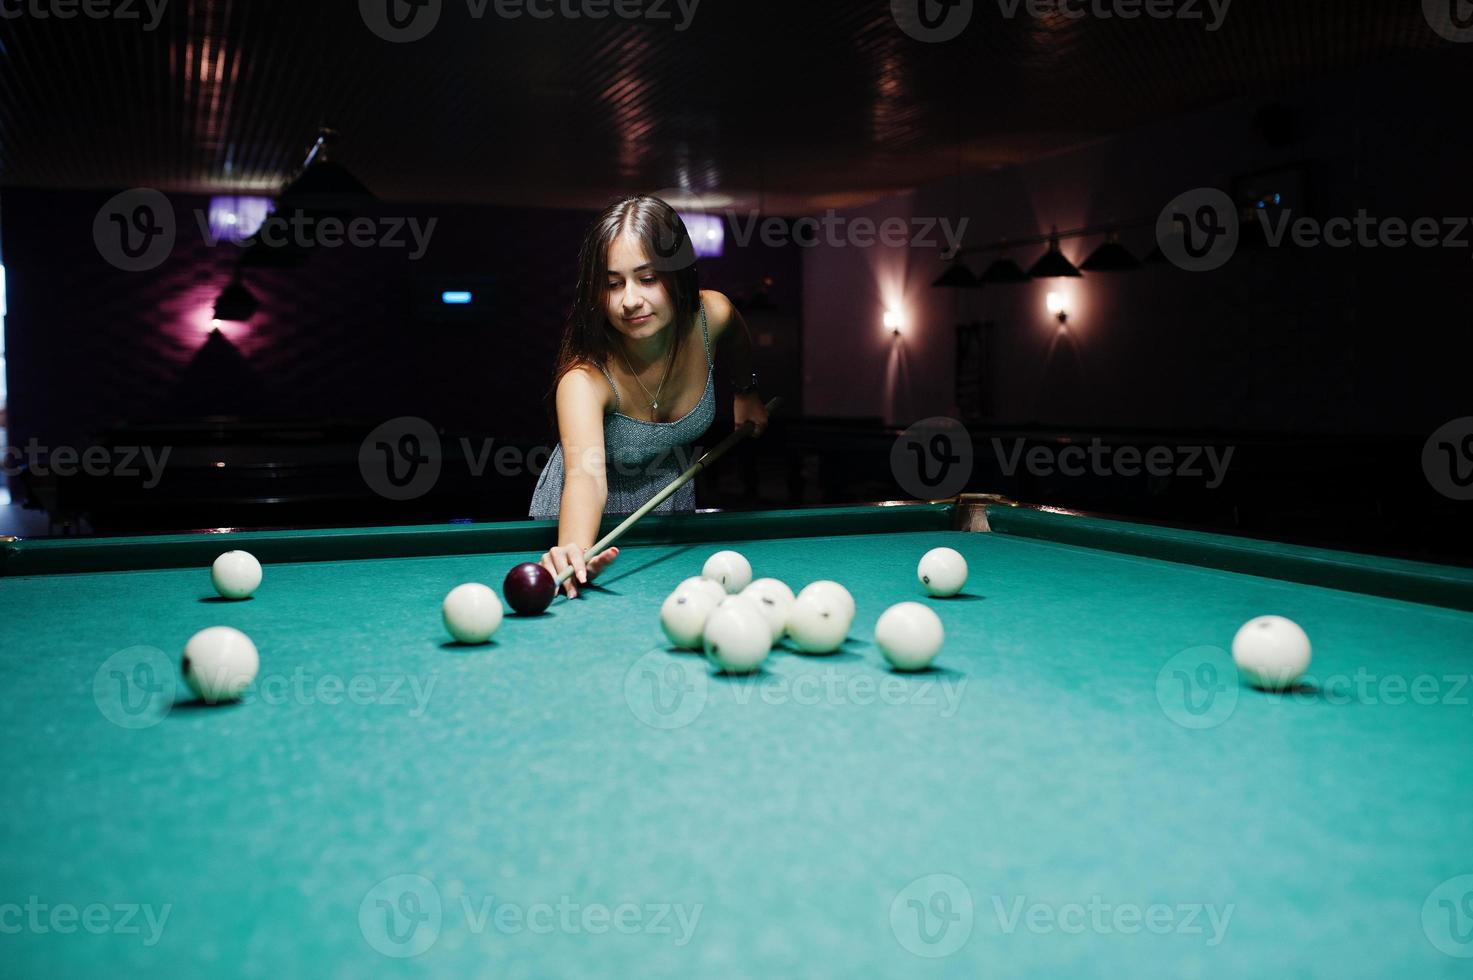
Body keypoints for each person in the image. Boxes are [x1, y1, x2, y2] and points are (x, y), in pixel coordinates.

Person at [529, 196, 769, 598]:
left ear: (679, 274)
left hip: (667, 498)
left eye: (648, 278)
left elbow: (738, 337)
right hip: (585, 511)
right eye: (612, 284)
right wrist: (575, 549)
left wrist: (746, 391)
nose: (629, 301)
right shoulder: (584, 380)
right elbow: (586, 476)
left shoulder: (713, 316)